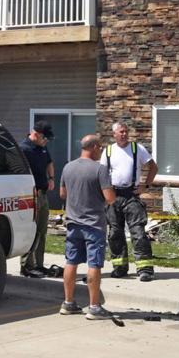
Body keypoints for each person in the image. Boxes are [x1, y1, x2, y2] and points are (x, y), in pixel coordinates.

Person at [59, 134, 116, 320]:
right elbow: (110, 198)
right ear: (93, 147)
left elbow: (62, 193)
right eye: (100, 147)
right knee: (94, 264)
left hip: (73, 223)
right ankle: (94, 307)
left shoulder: (68, 167)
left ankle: (68, 303)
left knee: (71, 262)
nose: (101, 151)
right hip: (93, 224)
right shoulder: (100, 170)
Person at [99, 120, 158, 281]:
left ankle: (145, 269)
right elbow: (102, 174)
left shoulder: (137, 149)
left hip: (132, 195)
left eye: (126, 131)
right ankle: (120, 267)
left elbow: (153, 167)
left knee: (138, 233)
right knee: (115, 233)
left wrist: (145, 186)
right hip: (114, 196)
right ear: (114, 135)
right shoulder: (108, 151)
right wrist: (105, 194)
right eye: (121, 132)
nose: (124, 134)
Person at [19, 120, 55, 277]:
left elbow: (49, 162)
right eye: (44, 138)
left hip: (43, 194)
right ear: (36, 134)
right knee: (32, 231)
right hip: (31, 196)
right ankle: (26, 265)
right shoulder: (23, 149)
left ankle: (39, 265)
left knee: (42, 231)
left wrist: (52, 178)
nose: (46, 141)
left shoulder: (42, 147)